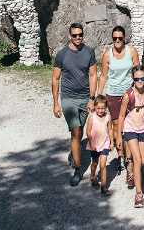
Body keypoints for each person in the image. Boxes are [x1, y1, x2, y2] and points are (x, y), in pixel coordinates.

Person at [51, 22, 96, 186]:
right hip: (68, 99)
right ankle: (78, 169)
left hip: (84, 98)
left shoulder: (89, 52)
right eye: (74, 35)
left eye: (80, 35)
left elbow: (92, 76)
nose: (78, 38)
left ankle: (74, 152)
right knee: (76, 132)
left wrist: (92, 98)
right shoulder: (62, 54)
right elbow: (55, 79)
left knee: (80, 132)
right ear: (69, 36)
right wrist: (56, 103)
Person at [94, 24, 140, 174]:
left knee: (129, 126)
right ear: (112, 39)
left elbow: (137, 72)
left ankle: (129, 160)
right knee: (115, 126)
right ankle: (120, 156)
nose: (118, 40)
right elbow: (103, 76)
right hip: (113, 94)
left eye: (120, 38)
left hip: (128, 94)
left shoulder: (131, 51)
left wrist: (140, 92)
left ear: (124, 38)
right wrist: (98, 97)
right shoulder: (107, 55)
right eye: (115, 38)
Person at [117, 64, 144, 208]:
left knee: (143, 161)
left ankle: (130, 162)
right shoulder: (128, 95)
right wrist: (120, 136)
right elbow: (121, 116)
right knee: (139, 160)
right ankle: (139, 195)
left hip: (143, 128)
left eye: (143, 78)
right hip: (130, 128)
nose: (140, 81)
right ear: (133, 79)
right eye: (137, 78)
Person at [84, 96, 112, 195]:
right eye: (98, 108)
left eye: (103, 108)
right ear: (95, 107)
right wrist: (91, 142)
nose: (101, 110)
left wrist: (111, 141)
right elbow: (88, 131)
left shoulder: (108, 116)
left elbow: (110, 130)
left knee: (103, 164)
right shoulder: (92, 117)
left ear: (106, 108)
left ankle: (104, 187)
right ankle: (92, 176)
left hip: (105, 142)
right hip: (94, 144)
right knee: (95, 163)